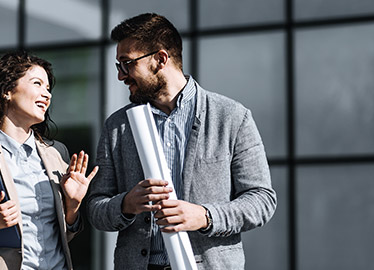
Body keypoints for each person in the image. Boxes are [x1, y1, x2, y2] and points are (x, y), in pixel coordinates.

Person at [86, 13, 276, 270]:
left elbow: (262, 200)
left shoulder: (231, 117)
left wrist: (205, 216)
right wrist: (126, 204)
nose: (121, 75)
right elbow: (96, 208)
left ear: (160, 59)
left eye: (127, 63)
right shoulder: (117, 126)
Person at [0, 51, 98, 270]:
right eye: (37, 84)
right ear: (6, 91)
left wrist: (73, 205)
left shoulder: (57, 153)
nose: (46, 94)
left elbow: (63, 234)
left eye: (48, 89)